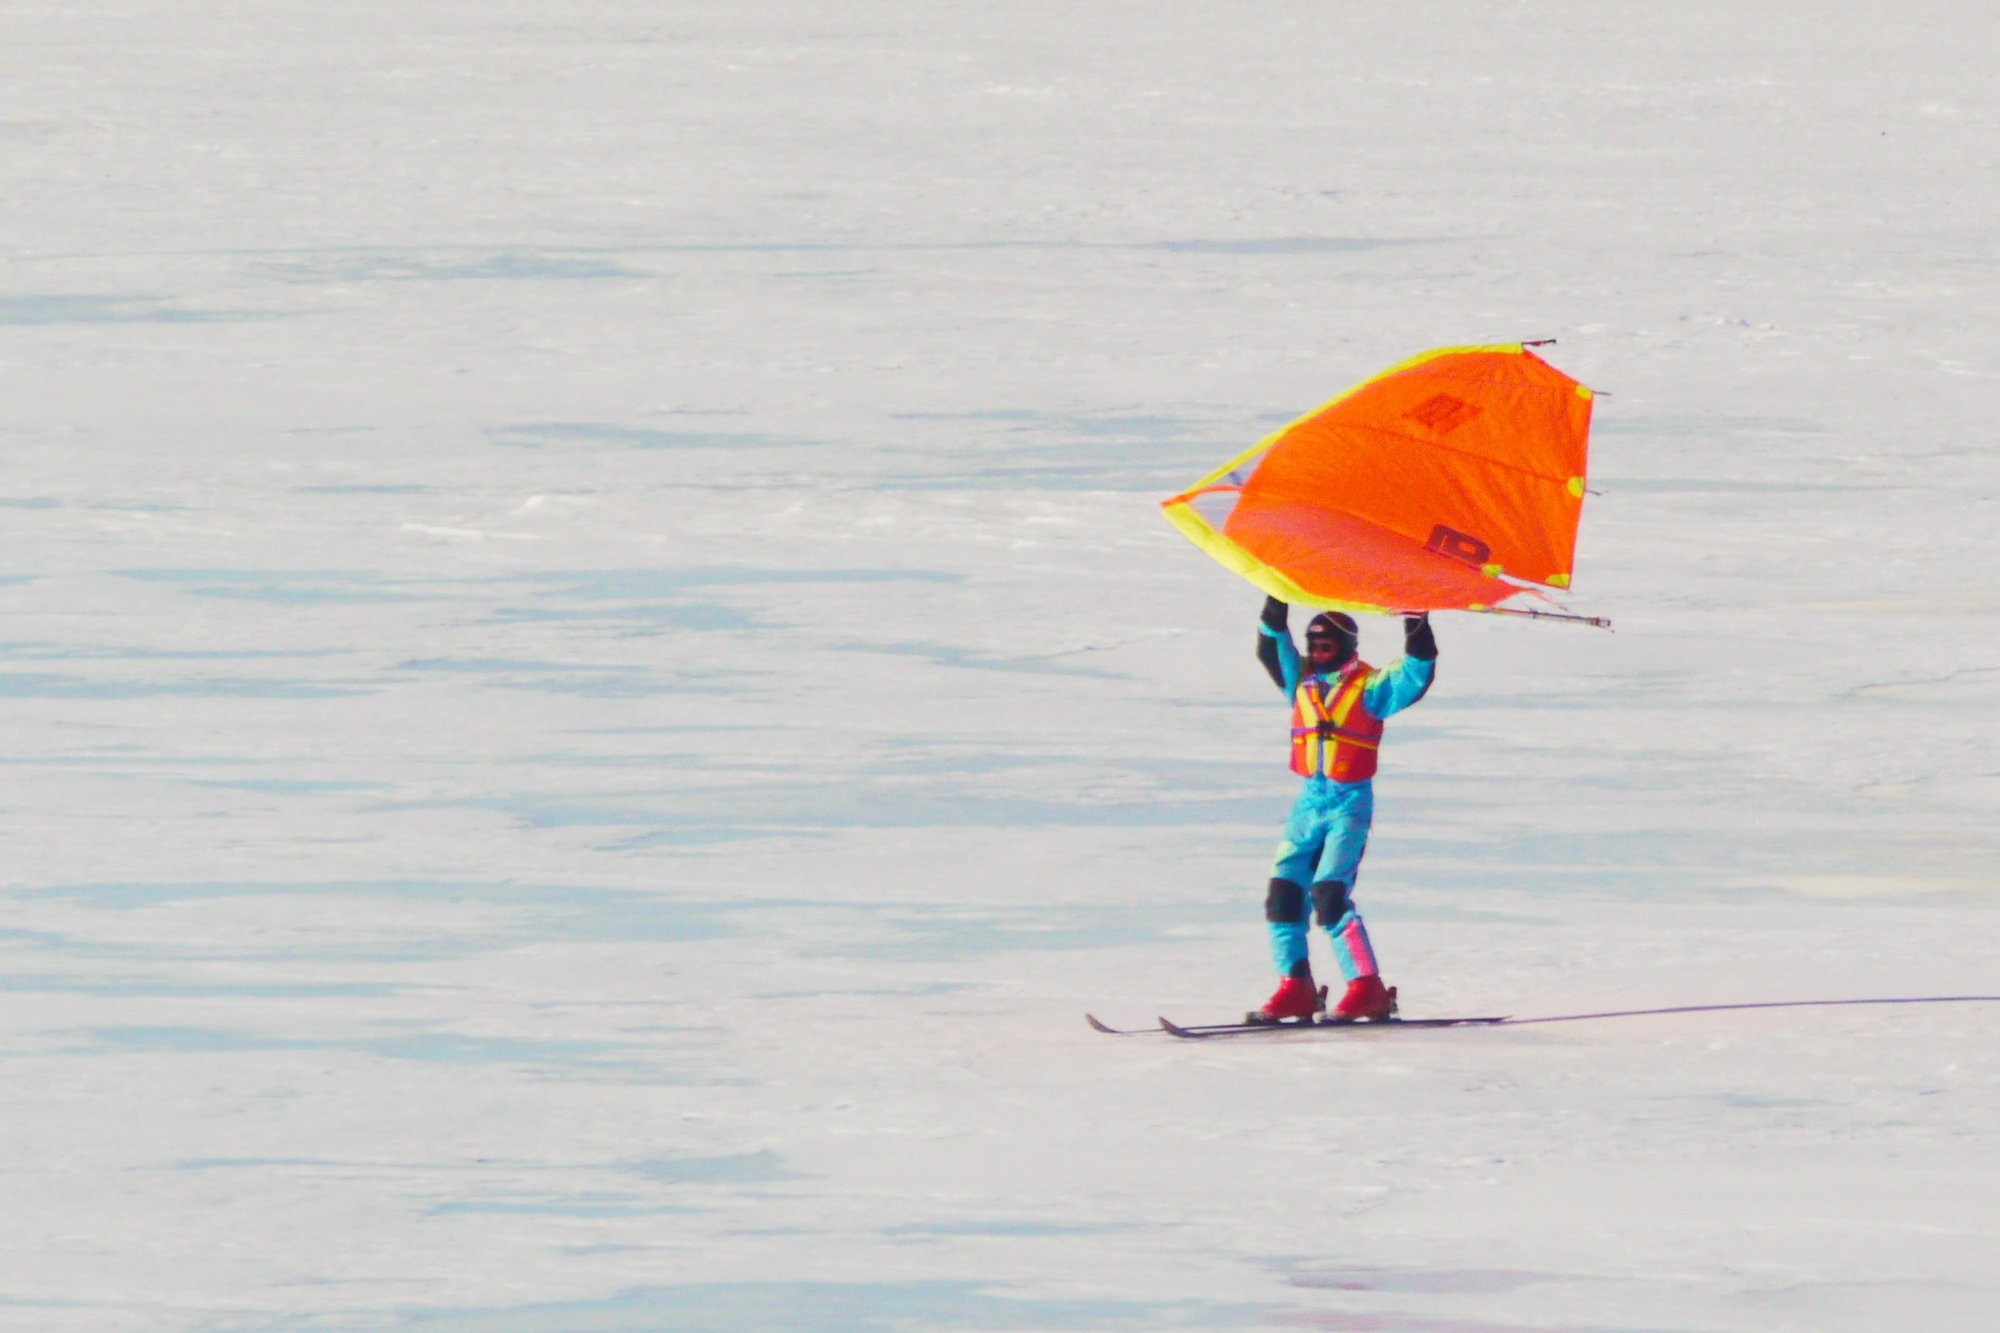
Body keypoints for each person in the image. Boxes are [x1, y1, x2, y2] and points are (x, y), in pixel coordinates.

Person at [1249, 597, 1437, 1023]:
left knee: (1330, 896)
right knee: (1283, 895)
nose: (1317, 656)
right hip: (1308, 803)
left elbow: (1417, 672)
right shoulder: (1301, 681)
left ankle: (1366, 988)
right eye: (1312, 647)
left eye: (1326, 648)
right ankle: (1295, 987)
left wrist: (1416, 620)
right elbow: (1269, 646)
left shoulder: (1370, 687)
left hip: (1349, 803)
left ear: (1346, 646)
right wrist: (1277, 593)